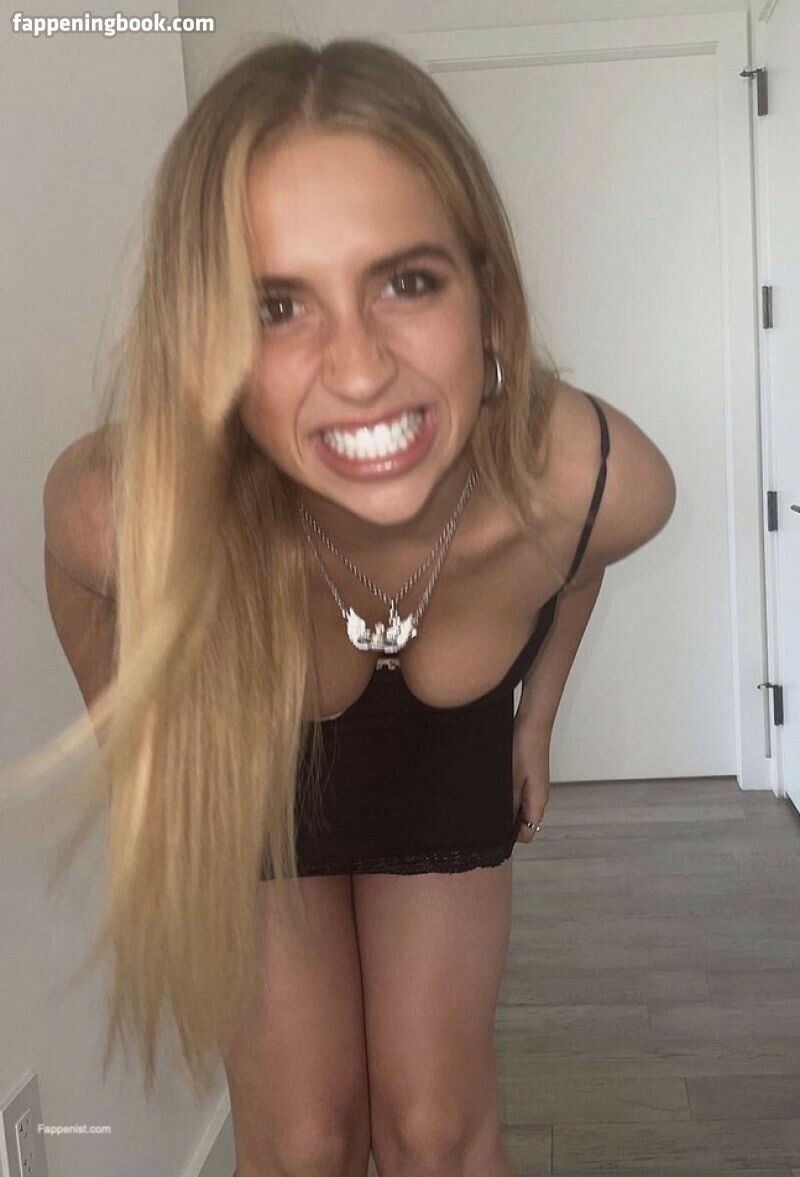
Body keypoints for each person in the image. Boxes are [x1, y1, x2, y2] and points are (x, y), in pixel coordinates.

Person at [28, 36, 676, 1177]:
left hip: (447, 762)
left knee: (435, 1135)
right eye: (276, 304)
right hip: (253, 765)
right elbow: (72, 573)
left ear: (489, 300)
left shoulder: (597, 484)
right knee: (303, 1143)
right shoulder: (126, 508)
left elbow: (575, 559)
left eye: (406, 281)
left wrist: (534, 717)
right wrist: (142, 758)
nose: (360, 368)